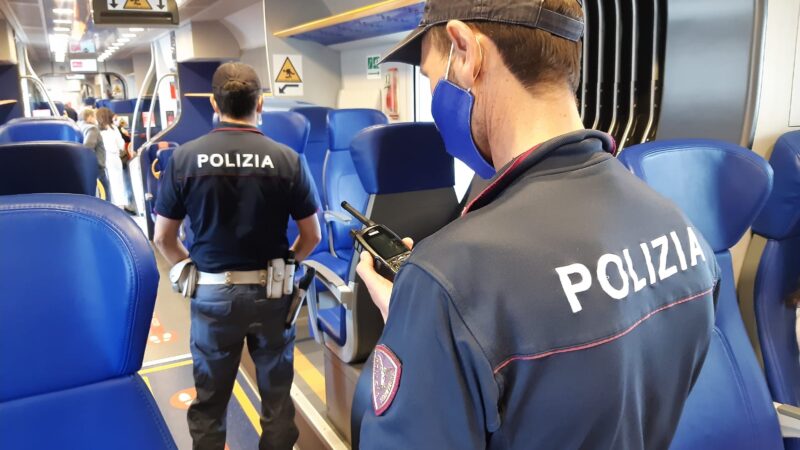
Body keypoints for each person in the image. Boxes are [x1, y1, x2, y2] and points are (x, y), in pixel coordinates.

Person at [354, 1, 721, 448]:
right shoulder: (684, 233)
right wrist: (425, 328)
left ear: (466, 52)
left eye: (432, 79)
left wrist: (423, 323)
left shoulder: (450, 278)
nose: (435, 101)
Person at [153, 62, 322, 450]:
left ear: (214, 103)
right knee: (277, 401)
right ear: (259, 103)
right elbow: (312, 235)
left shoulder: (184, 159)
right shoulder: (288, 160)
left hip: (212, 296)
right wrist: (286, 266)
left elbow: (164, 237)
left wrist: (187, 272)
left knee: (210, 402)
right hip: (273, 294)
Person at [96, 107, 127, 209]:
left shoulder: (96, 129)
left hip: (102, 158)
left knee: (107, 183)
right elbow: (121, 145)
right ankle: (120, 206)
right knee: (117, 182)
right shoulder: (113, 128)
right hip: (114, 157)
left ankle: (110, 205)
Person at [77, 108, 110, 199]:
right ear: (89, 117)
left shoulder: (78, 127)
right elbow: (88, 146)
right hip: (96, 165)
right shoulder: (92, 128)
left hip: (84, 165)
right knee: (104, 190)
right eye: (93, 117)